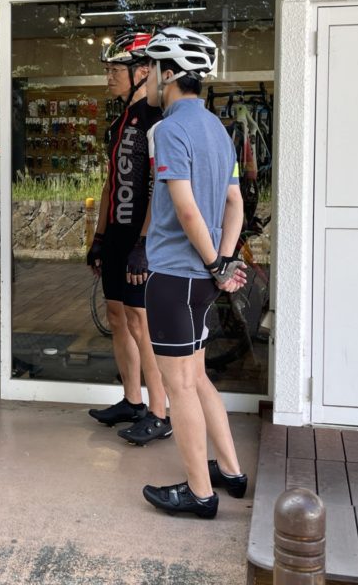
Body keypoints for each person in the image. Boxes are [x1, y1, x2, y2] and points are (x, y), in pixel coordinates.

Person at [139, 28, 249, 519]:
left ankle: (200, 494)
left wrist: (213, 263)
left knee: (179, 386)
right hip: (202, 281)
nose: (147, 79)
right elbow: (234, 203)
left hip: (174, 277)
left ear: (169, 74)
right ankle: (231, 472)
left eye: (151, 70)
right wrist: (221, 264)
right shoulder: (217, 129)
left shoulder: (169, 131)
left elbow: (186, 210)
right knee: (198, 378)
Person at [85, 30, 171, 446]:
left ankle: (160, 412)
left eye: (115, 70)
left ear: (142, 71)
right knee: (117, 315)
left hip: (142, 239)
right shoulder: (120, 120)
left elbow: (160, 186)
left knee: (140, 321)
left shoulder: (157, 118)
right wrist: (99, 237)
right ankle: (133, 400)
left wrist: (145, 243)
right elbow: (110, 183)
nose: (109, 77)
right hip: (117, 236)